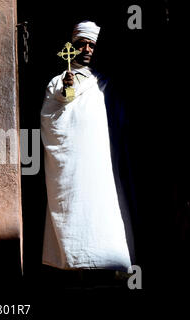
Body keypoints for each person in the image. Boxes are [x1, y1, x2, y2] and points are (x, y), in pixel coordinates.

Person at [41, 21, 133, 272]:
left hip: (98, 159)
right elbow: (52, 113)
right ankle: (74, 263)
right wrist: (65, 91)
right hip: (71, 161)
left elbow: (118, 117)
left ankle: (105, 262)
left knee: (102, 205)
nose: (87, 49)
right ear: (72, 47)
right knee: (72, 205)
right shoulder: (58, 82)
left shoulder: (103, 83)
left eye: (92, 44)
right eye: (82, 44)